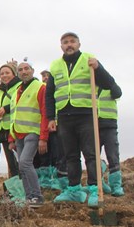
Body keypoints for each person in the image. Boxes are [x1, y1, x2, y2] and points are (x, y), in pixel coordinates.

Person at [46, 32, 119, 207]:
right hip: (64, 115)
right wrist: (50, 117)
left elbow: (109, 83)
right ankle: (74, 190)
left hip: (86, 115)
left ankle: (94, 189)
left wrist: (98, 68)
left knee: (90, 154)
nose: (69, 45)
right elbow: (49, 94)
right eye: (65, 42)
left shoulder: (89, 59)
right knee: (70, 155)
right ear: (61, 46)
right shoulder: (55, 66)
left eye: (72, 41)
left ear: (79, 44)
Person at [9, 61, 49, 208]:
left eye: (26, 69)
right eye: (20, 70)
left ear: (32, 70)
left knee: (25, 162)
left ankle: (37, 196)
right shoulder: (17, 91)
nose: (24, 72)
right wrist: (11, 138)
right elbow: (13, 115)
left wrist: (43, 137)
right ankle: (29, 197)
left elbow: (45, 112)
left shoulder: (40, 87)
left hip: (33, 132)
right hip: (18, 133)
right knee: (21, 165)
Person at [0, 61, 22, 178]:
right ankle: (15, 190)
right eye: (2, 73)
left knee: (21, 161)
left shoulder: (19, 86)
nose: (4, 75)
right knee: (11, 163)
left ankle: (25, 187)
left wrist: (5, 109)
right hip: (3, 131)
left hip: (17, 129)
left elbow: (21, 103)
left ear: (14, 74)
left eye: (7, 73)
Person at [98, 83, 125, 196]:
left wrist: (109, 81)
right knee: (93, 157)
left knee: (113, 156)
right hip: (93, 127)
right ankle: (99, 182)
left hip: (109, 126)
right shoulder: (88, 87)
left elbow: (118, 93)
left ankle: (115, 185)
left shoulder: (109, 84)